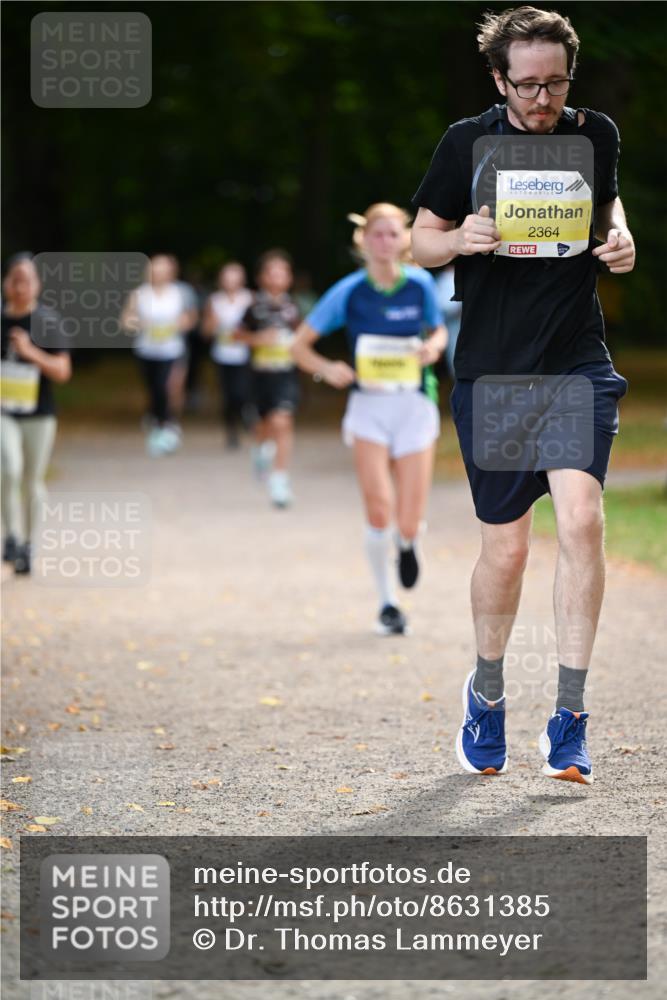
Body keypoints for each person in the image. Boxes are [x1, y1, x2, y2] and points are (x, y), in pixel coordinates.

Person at [411, 5, 635, 783]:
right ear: (499, 78)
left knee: (582, 518)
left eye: (555, 83)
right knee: (505, 550)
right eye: (527, 84)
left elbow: (606, 203)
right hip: (494, 370)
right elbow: (421, 237)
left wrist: (620, 235)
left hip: (574, 358)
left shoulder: (594, 134)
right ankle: (488, 694)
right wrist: (457, 242)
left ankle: (569, 719)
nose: (541, 99)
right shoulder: (465, 142)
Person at [291, 203, 447, 635]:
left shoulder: (419, 284)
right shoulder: (348, 291)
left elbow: (439, 329)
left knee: (409, 519)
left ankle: (410, 542)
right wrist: (328, 369)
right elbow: (298, 346)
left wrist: (433, 347)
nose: (384, 242)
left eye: (392, 234)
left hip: (414, 405)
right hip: (368, 409)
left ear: (405, 239)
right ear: (364, 241)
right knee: (379, 509)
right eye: (376, 234)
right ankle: (387, 603)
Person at [1, 253, 72, 574]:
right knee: (9, 468)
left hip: (39, 413)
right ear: (6, 284)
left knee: (32, 480)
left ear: (37, 285)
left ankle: (29, 543)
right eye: (16, 279)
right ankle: (11, 536)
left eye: (27, 280)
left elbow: (62, 371)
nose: (21, 286)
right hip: (4, 411)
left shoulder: (48, 321)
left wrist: (31, 352)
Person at [235, 250, 301, 508]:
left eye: (283, 272)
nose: (278, 276)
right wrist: (257, 339)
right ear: (262, 277)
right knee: (264, 426)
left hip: (285, 374)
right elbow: (236, 336)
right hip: (259, 375)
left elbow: (303, 337)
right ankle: (261, 453)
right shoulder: (253, 307)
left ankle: (280, 479)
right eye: (272, 272)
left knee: (282, 421)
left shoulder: (293, 307)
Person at [121, 254, 196, 457]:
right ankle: (157, 421)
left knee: (167, 387)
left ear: (171, 271)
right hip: (146, 350)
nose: (159, 273)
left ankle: (166, 426)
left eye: (163, 269)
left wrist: (179, 325)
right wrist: (140, 324)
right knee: (154, 389)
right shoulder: (140, 294)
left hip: (172, 350)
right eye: (155, 269)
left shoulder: (180, 292)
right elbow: (126, 320)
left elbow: (190, 319)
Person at [202, 262, 255, 449]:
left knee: (242, 392)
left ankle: (247, 415)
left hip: (244, 354)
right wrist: (213, 324)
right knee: (227, 396)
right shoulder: (214, 300)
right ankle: (231, 431)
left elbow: (256, 326)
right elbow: (205, 331)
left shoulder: (249, 299)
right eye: (227, 278)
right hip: (222, 355)